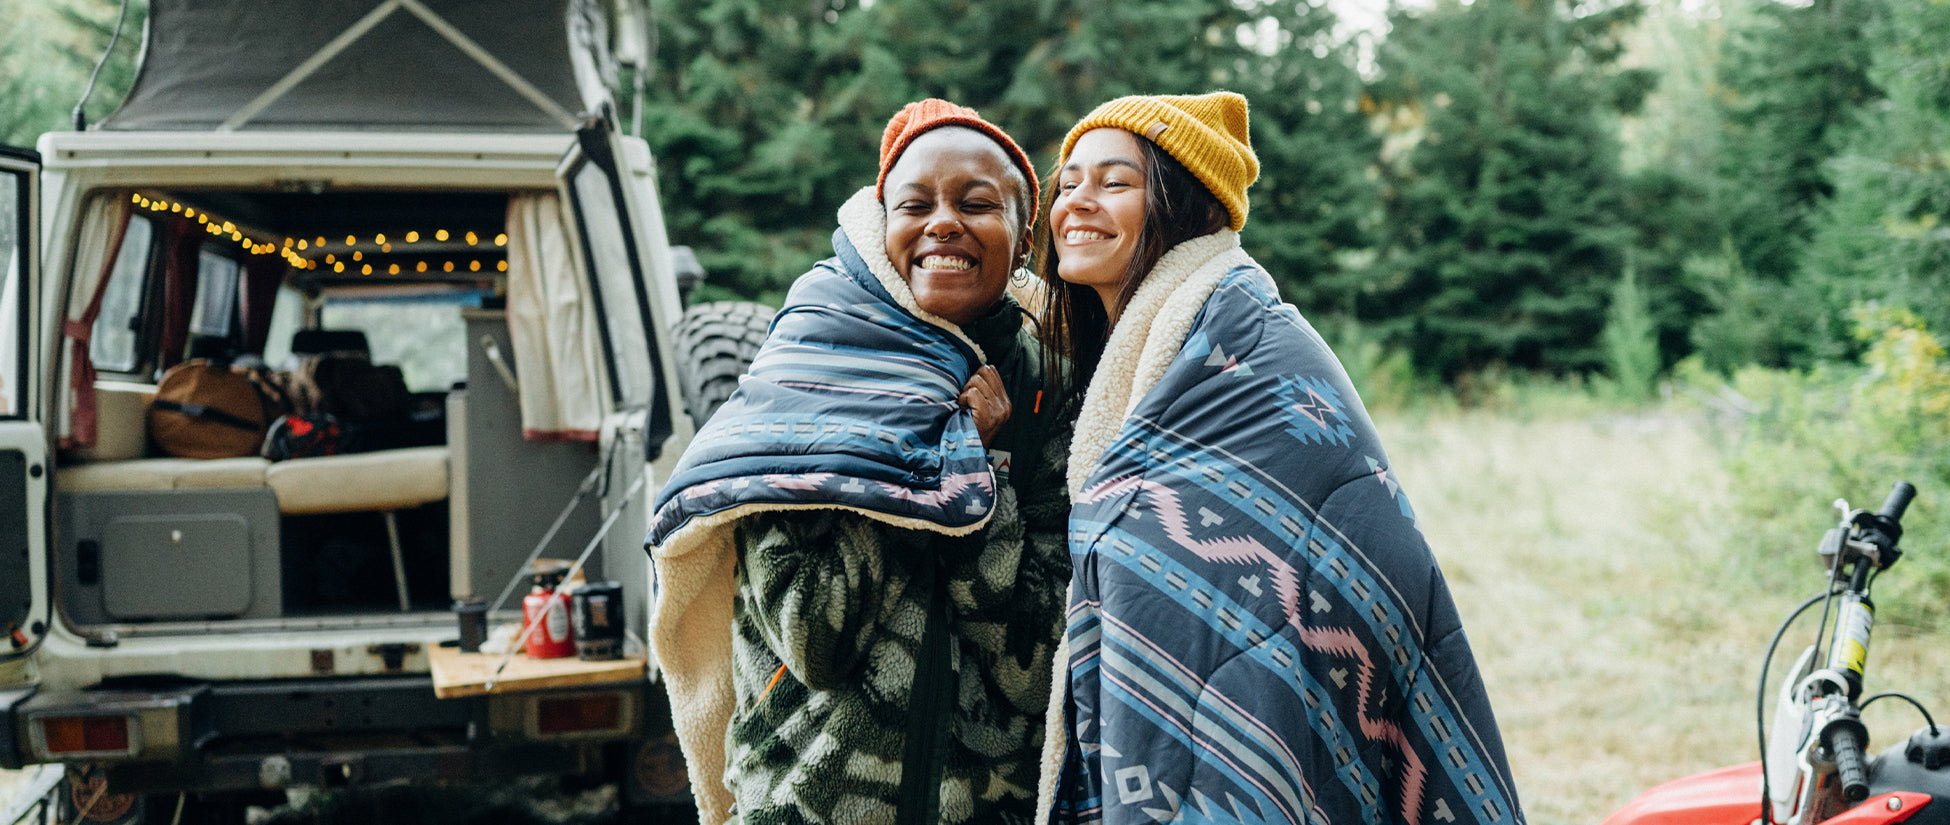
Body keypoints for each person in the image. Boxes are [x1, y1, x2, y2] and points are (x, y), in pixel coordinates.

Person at [1032, 92, 1524, 825]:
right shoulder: (1139, 360)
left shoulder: (1249, 352)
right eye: (1068, 182)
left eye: (1114, 182)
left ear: (1182, 204)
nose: (1077, 202)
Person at [647, 99, 1074, 825]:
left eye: (977, 203)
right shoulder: (810, 377)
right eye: (916, 204)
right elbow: (815, 637)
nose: (943, 222)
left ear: (1025, 236)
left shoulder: (1045, 393)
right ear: (883, 228)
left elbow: (1036, 671)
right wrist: (926, 452)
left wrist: (984, 493)